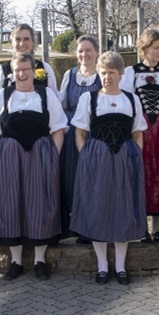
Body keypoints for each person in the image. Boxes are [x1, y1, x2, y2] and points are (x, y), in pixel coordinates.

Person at [0, 52, 67, 280]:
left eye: (26, 69)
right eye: (17, 70)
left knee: (40, 203)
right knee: (11, 204)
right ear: (12, 72)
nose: (21, 74)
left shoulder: (46, 94)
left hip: (40, 156)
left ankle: (40, 260)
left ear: (34, 71)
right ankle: (16, 261)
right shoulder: (2, 95)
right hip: (9, 157)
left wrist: (53, 155)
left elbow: (58, 128)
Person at [69, 51, 148, 284]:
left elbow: (137, 133)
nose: (107, 77)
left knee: (123, 208)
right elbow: (80, 132)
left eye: (111, 73)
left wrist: (135, 155)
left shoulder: (132, 100)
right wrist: (88, 156)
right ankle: (103, 266)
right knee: (99, 207)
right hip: (97, 159)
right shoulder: (89, 99)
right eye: (103, 73)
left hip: (125, 158)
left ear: (121, 74)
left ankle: (121, 267)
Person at [122, 29, 159, 243]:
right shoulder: (131, 72)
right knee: (141, 173)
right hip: (140, 129)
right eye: (155, 48)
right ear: (144, 48)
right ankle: (142, 226)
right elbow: (125, 101)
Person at [59, 35, 101, 237]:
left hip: (95, 133)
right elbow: (63, 104)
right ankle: (73, 223)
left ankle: (92, 222)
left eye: (88, 50)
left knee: (92, 177)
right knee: (71, 176)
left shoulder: (104, 75)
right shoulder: (70, 74)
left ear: (97, 52)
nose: (84, 54)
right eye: (81, 51)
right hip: (71, 132)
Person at [0, 23, 59, 93]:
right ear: (12, 43)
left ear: (33, 42)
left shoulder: (46, 68)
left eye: (26, 39)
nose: (21, 43)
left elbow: (54, 97)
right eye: (18, 39)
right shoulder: (1, 71)